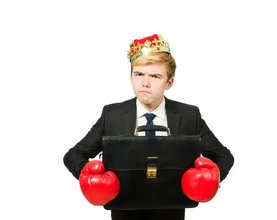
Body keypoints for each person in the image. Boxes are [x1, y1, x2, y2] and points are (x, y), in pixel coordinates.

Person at [63, 34, 235, 220]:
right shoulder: (111, 115)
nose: (145, 83)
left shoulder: (188, 116)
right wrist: (91, 180)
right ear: (131, 76)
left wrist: (209, 180)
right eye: (138, 74)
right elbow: (73, 155)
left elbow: (224, 156)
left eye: (155, 76)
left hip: (172, 215)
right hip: (123, 214)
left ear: (169, 82)